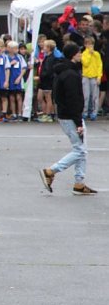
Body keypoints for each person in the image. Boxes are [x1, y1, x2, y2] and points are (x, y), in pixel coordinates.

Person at [40, 43, 96, 195]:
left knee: (81, 149)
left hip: (66, 114)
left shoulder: (63, 71)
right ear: (73, 55)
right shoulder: (70, 74)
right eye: (79, 53)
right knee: (80, 151)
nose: (80, 55)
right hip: (71, 116)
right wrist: (78, 121)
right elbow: (73, 99)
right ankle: (51, 171)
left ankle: (79, 183)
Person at [81, 36, 102, 121]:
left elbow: (99, 65)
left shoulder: (97, 54)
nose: (90, 46)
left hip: (94, 77)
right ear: (85, 45)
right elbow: (85, 63)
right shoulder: (83, 54)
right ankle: (85, 112)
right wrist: (89, 54)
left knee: (95, 96)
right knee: (85, 96)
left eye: (91, 44)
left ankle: (94, 112)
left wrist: (99, 77)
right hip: (86, 76)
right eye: (88, 44)